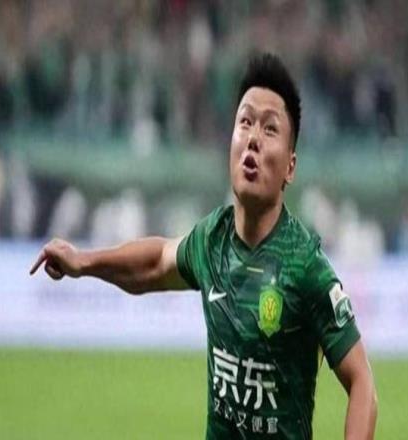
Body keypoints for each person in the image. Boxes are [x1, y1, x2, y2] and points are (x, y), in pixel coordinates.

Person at [30, 53, 377, 440]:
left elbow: (362, 383)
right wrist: (83, 261)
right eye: (245, 122)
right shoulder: (213, 238)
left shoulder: (305, 266)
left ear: (290, 167)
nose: (253, 139)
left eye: (269, 129)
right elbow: (155, 262)